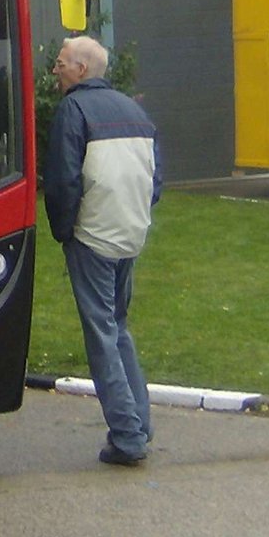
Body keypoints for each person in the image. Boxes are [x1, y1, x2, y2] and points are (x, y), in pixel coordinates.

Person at [43, 35, 162, 466]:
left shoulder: (73, 110)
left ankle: (128, 435)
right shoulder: (134, 111)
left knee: (101, 336)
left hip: (92, 236)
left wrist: (64, 232)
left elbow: (63, 180)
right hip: (130, 233)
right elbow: (155, 180)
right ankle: (140, 423)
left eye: (60, 64)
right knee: (118, 327)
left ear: (80, 70)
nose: (54, 71)